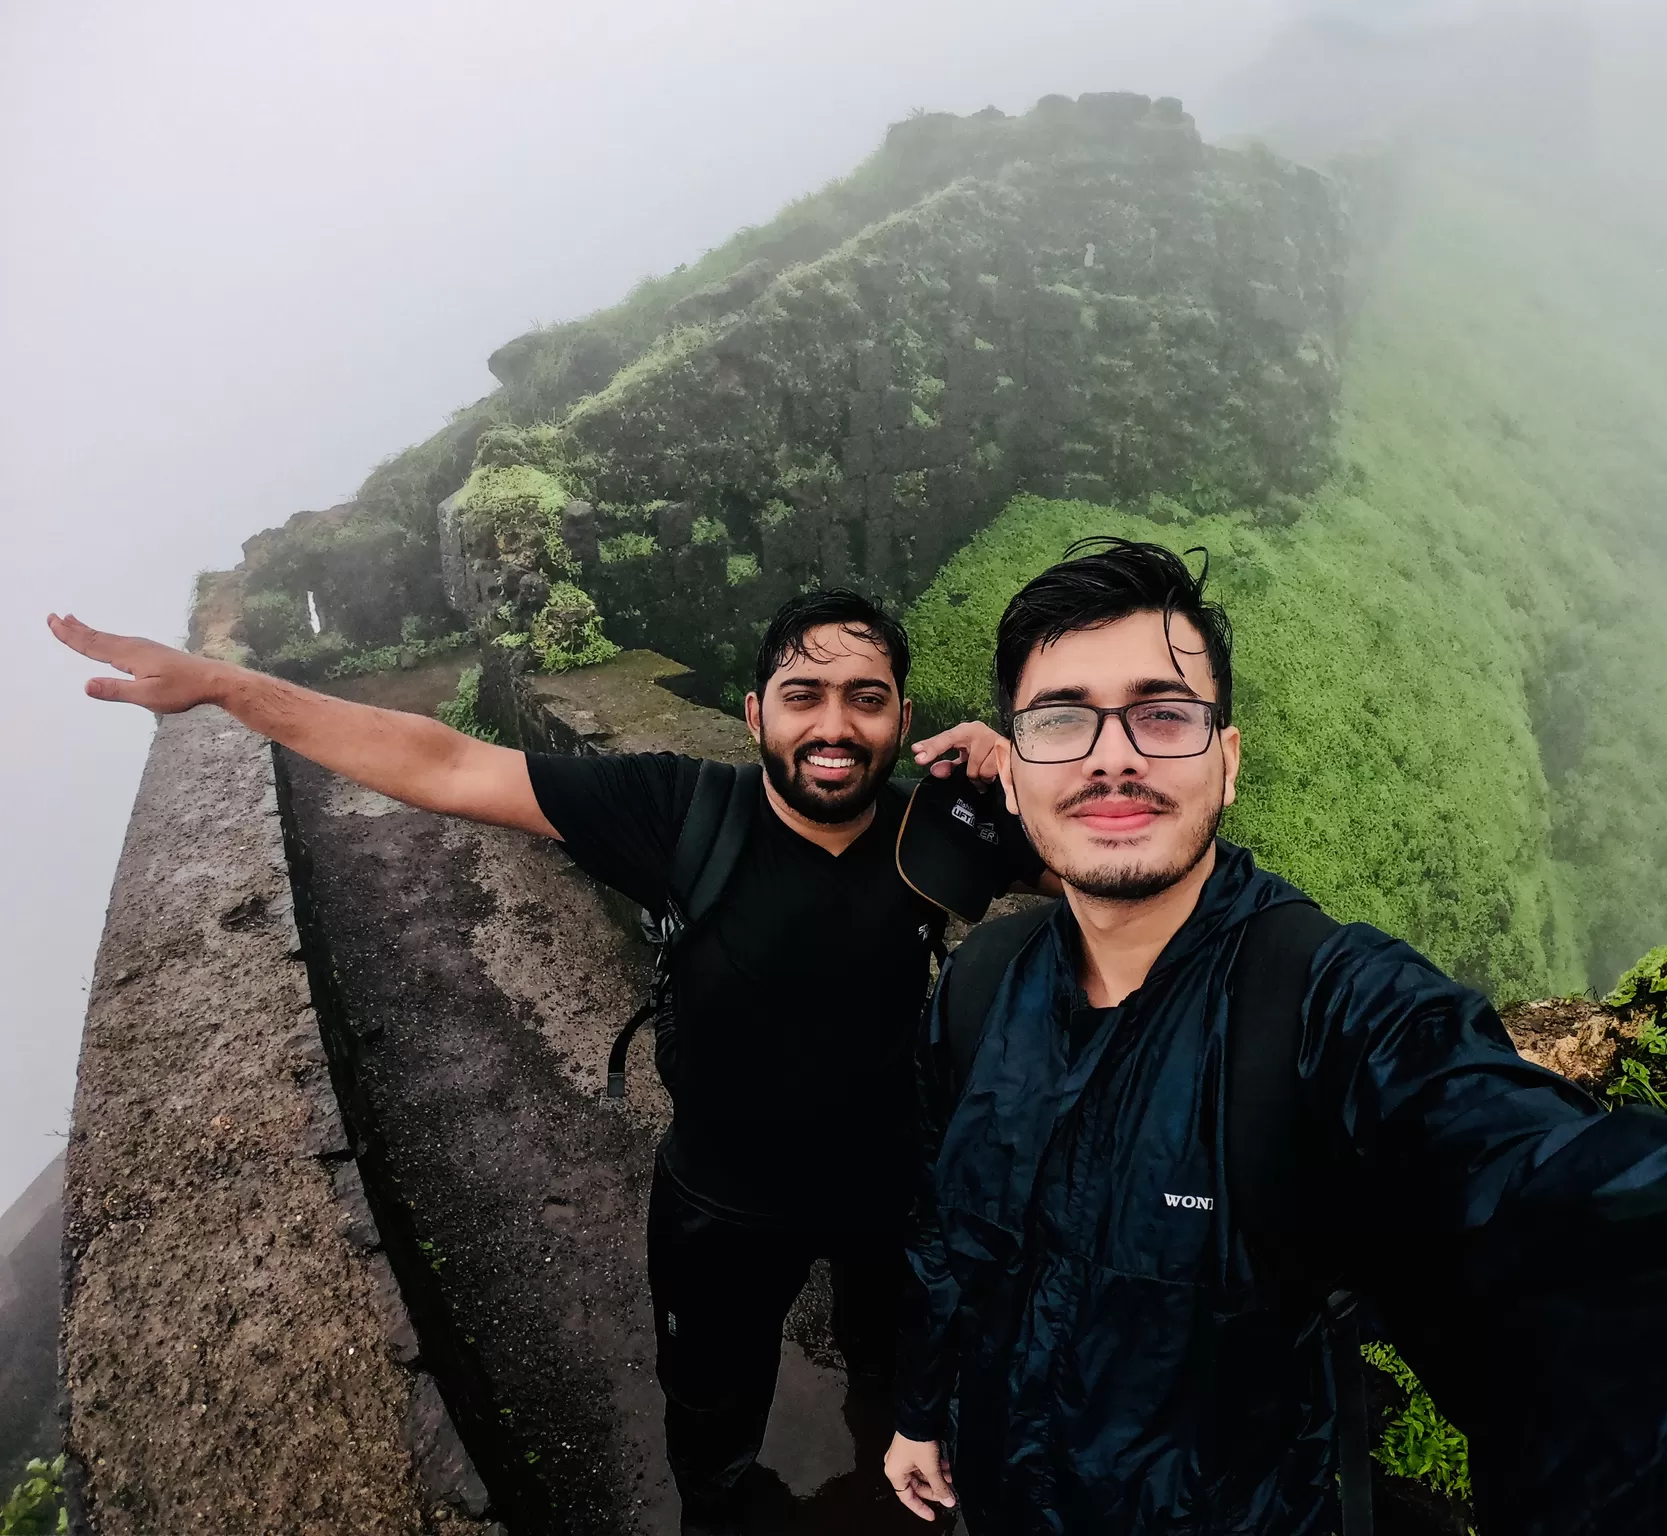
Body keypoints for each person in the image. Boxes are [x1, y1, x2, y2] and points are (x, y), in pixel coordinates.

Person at [881, 538, 1667, 1535]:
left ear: (1226, 764)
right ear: (1011, 773)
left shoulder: (1322, 1011)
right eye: (1060, 720)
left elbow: (1557, 1203)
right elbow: (948, 1230)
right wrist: (923, 1411)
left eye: (1162, 713)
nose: (1112, 753)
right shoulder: (982, 986)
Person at [48, 590, 1034, 1533]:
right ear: (753, 714)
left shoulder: (939, 826)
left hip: (889, 1187)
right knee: (710, 1414)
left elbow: (1106, 848)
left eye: (866, 698)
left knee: (895, 1374)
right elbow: (445, 764)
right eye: (803, 695)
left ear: (903, 718)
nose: (834, 726)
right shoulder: (680, 811)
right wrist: (230, 687)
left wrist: (1020, 768)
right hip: (722, 1204)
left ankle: (885, 1479)